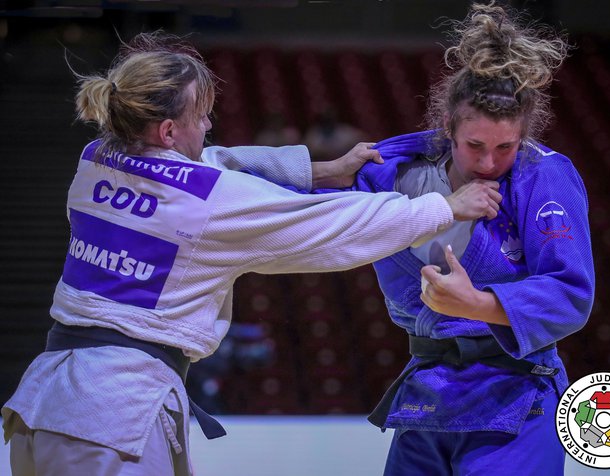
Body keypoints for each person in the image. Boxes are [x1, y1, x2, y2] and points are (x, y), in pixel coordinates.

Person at [1, 32, 501, 476]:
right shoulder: (210, 203)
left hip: (46, 403)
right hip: (112, 416)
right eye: (201, 115)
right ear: (169, 132)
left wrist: (321, 170)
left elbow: (215, 163)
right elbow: (332, 226)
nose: (211, 123)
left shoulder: (94, 160)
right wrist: (444, 207)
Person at [271, 3, 592, 474]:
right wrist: (319, 173)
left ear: (524, 136)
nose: (488, 163)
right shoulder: (391, 174)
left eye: (505, 147)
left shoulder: (542, 177)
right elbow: (294, 218)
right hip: (429, 388)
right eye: (474, 146)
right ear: (448, 128)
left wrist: (477, 305)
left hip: (517, 392)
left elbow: (571, 295)